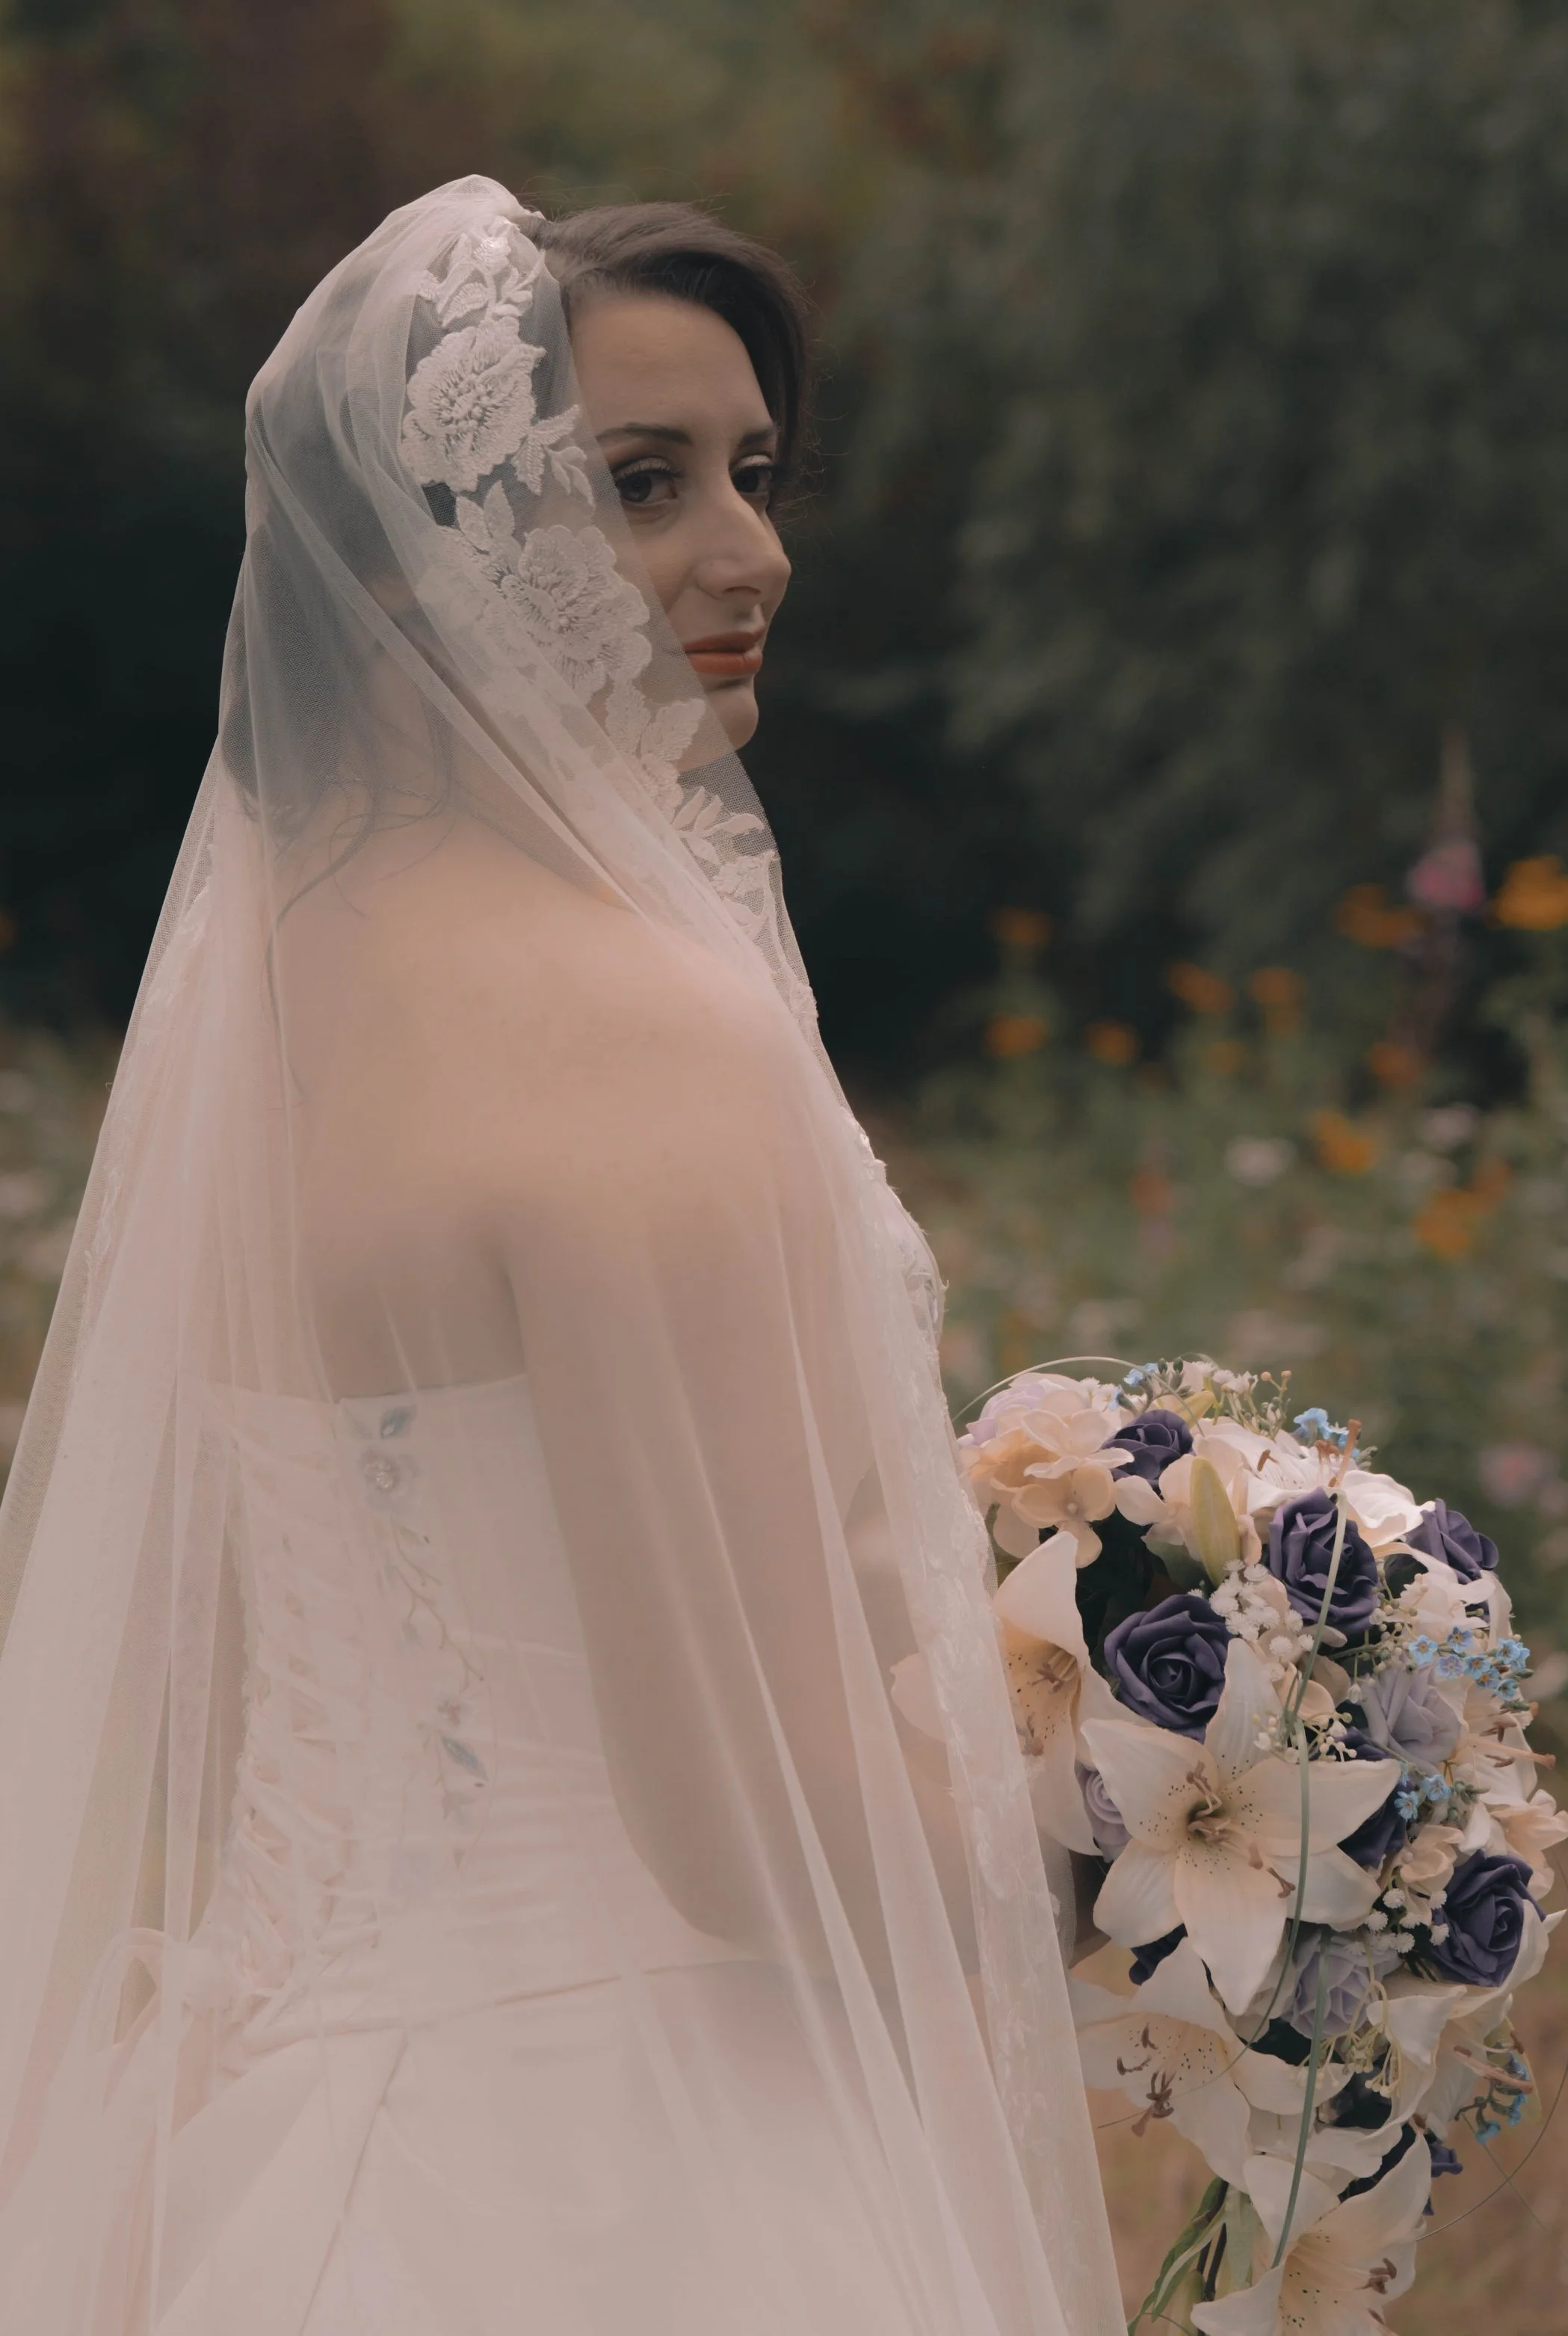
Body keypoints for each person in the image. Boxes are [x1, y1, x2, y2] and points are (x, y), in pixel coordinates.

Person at [0, 176, 1123, 2336]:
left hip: (279, 2137)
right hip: (645, 2165)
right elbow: (744, 1814)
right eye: (641, 483)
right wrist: (1196, 1810)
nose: (751, 548)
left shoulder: (277, 997)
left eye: (752, 470)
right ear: (434, 548)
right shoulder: (641, 1032)